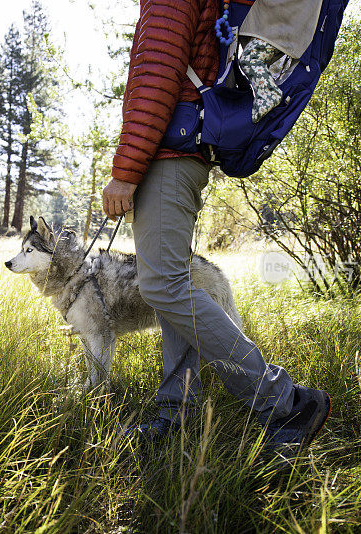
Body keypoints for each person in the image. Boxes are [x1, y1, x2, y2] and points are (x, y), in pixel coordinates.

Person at [101, 0, 330, 454]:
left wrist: (126, 170)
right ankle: (177, 411)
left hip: (168, 157)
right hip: (177, 152)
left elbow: (157, 78)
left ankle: (283, 403)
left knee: (162, 284)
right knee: (172, 282)